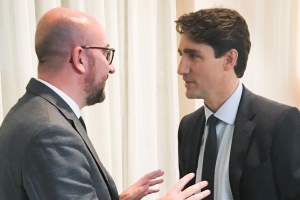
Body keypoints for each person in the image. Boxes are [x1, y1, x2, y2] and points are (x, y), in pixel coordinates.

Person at [0, 7, 211, 200]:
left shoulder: (28, 112)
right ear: (80, 58)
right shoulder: (51, 132)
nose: (111, 68)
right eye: (105, 53)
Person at [175, 7, 300, 200]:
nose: (181, 68)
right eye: (181, 54)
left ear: (229, 59)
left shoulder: (278, 123)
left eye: (193, 56)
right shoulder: (188, 127)